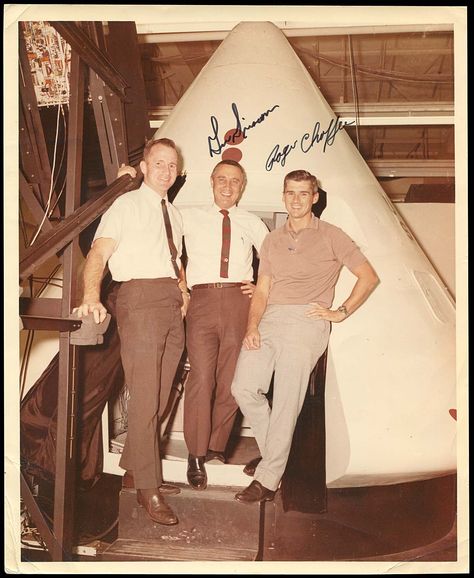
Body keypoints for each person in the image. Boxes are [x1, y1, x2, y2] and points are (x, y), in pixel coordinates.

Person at [231, 169, 379, 504]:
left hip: (306, 322)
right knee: (242, 387)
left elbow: (368, 277)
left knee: (285, 401)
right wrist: (252, 326)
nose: (296, 200)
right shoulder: (271, 239)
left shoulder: (332, 235)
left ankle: (268, 480)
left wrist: (340, 312)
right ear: (283, 196)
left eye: (303, 194)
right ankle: (276, 457)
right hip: (269, 320)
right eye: (290, 193)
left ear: (314, 197)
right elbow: (263, 290)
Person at [75, 138, 190, 526]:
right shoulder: (125, 205)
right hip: (139, 298)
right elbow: (99, 253)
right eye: (159, 163)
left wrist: (183, 289)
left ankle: (135, 468)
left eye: (172, 165)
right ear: (143, 167)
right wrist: (92, 295)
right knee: (144, 396)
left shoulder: (173, 213)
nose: (166, 171)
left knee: (158, 395)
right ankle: (147, 489)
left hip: (171, 303)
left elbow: (174, 257)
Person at [180, 160, 269, 491]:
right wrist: (180, 284)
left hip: (239, 303)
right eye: (222, 179)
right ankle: (196, 453)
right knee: (201, 378)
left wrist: (260, 286)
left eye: (235, 181)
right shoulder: (187, 216)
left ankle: (216, 445)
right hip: (202, 300)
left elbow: (273, 262)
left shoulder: (252, 221)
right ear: (212, 181)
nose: (228, 186)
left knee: (232, 380)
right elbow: (169, 251)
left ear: (242, 187)